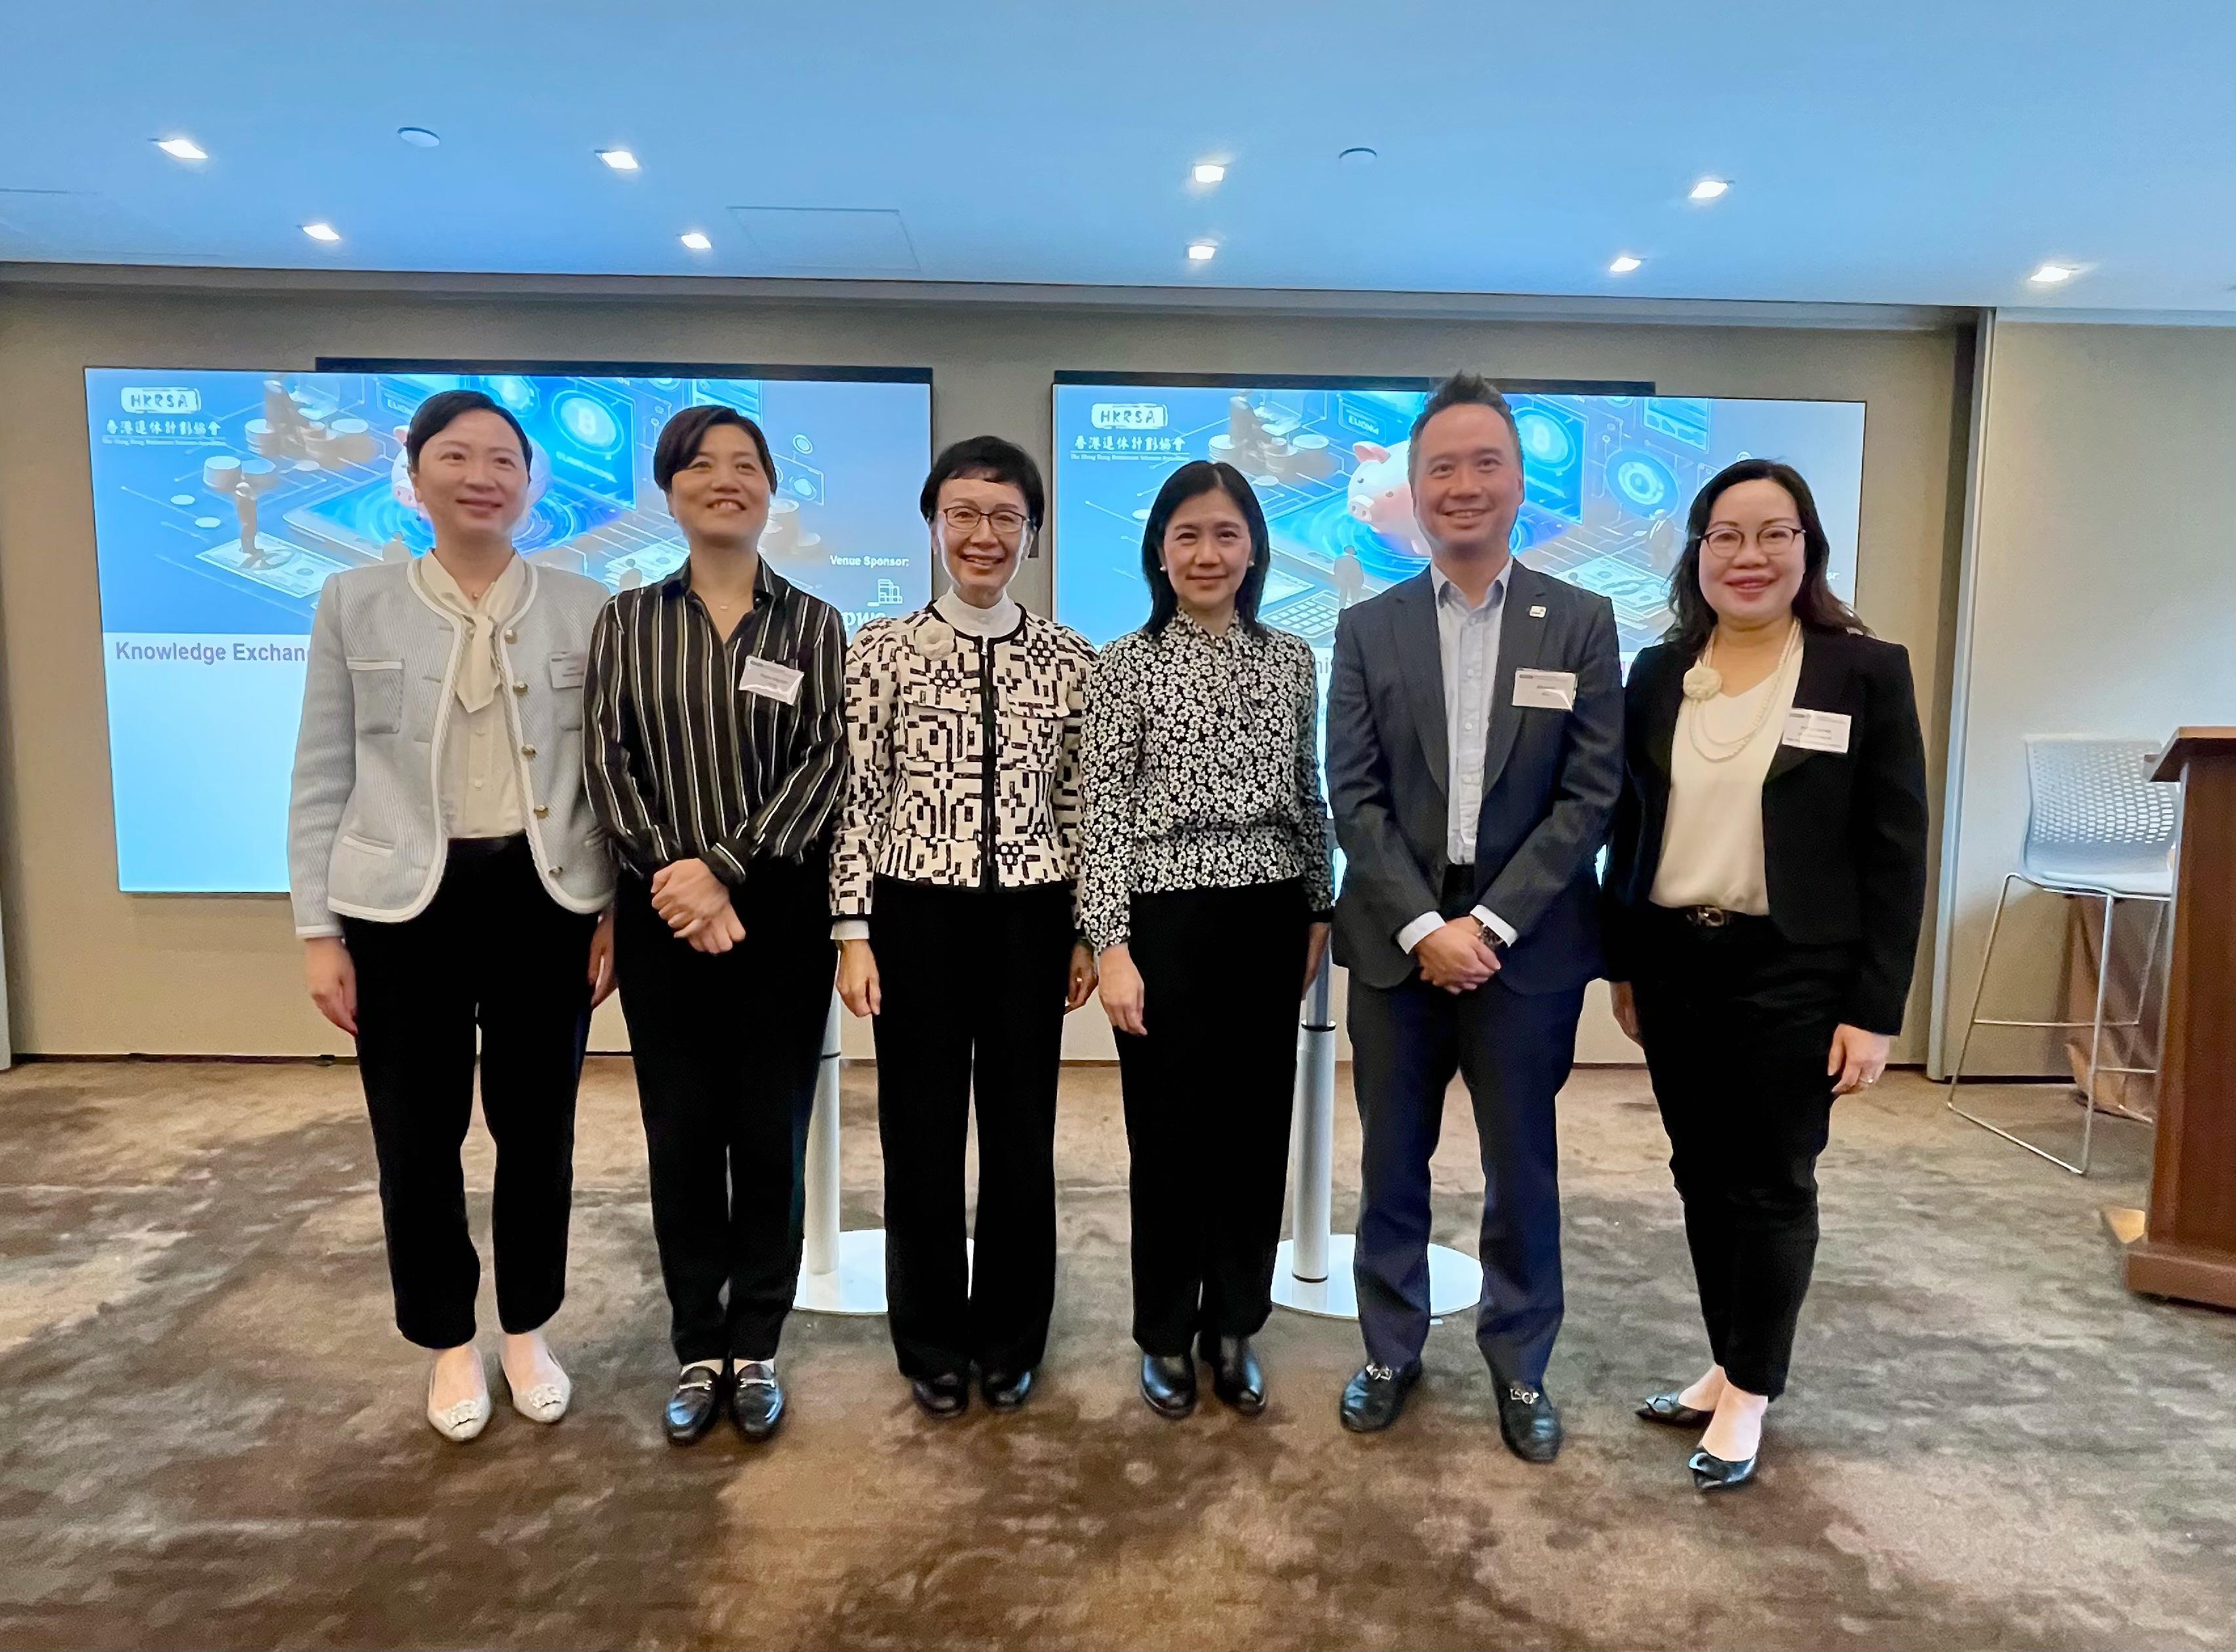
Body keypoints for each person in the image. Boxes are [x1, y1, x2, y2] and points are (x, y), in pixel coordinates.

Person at [288, 389, 617, 1443]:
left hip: (544, 898)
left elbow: (610, 773)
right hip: (400, 908)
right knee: (416, 1135)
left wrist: (610, 906)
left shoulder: (587, 604)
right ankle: (446, 1341)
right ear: (416, 474)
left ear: (531, 483)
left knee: (539, 1129)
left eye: (503, 460)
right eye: (457, 456)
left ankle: (527, 1328)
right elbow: (322, 770)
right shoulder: (355, 599)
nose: (482, 476)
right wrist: (317, 930)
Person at [1603, 459, 1927, 1491]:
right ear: (1698, 551)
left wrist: (1874, 1009)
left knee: (1774, 1179)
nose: (1749, 556)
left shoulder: (1862, 671)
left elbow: (1895, 851)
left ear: (1807, 548)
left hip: (1796, 967)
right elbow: (1629, 824)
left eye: (1773, 533)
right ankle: (1725, 1359)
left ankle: (1752, 1387)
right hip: (1675, 958)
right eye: (1727, 535)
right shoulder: (1660, 671)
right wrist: (1623, 960)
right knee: (1699, 1172)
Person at [1325, 373, 1622, 1459]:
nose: (1462, 485)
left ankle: (1521, 1363)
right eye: (1441, 467)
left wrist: (1489, 925)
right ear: (1412, 488)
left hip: (1524, 950)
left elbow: (1590, 795)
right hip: (1398, 946)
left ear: (1519, 481)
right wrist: (1424, 926)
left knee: (1522, 1170)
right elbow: (1352, 794)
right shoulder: (1368, 627)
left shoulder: (1580, 620)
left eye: (1484, 463)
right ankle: (1389, 1350)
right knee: (1391, 1165)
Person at [583, 404, 848, 1448]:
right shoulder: (626, 620)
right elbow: (606, 759)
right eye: (701, 464)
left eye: (746, 464)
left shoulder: (814, 623)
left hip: (779, 909)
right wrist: (676, 877)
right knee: (683, 1132)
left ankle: (759, 1344)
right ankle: (699, 1342)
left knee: (771, 1133)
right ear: (670, 488)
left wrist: (725, 869)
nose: (724, 479)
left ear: (772, 489)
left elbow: (827, 759)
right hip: (662, 911)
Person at [831, 436, 1099, 1418]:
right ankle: (933, 1339)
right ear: (934, 524)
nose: (983, 535)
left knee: (1024, 1137)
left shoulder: (1072, 657)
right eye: (963, 515)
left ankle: (1014, 1337)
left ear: (1033, 534)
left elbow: (1078, 803)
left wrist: (1086, 930)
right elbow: (859, 795)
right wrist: (852, 930)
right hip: (917, 915)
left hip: (1032, 915)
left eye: (1005, 518)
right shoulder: (882, 649)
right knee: (922, 1134)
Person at [1080, 460, 1334, 1419]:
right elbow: (1102, 813)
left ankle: (1234, 1324)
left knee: (1255, 1130)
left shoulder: (1292, 659)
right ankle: (1163, 1330)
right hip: (1164, 919)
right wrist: (1111, 944)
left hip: (1269, 914)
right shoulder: (1123, 665)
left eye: (1227, 533)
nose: (1207, 553)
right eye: (1187, 534)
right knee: (1168, 1134)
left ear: (1255, 549)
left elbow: (1307, 790)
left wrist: (1319, 907)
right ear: (1159, 550)